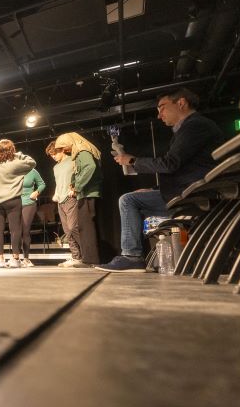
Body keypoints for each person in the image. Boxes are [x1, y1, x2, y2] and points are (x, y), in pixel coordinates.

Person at [98, 87, 223, 272]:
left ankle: (132, 256)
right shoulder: (190, 128)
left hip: (195, 194)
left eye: (162, 107)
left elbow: (170, 164)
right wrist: (153, 189)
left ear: (181, 103)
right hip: (187, 190)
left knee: (128, 200)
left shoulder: (195, 125)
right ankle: (134, 255)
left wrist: (132, 160)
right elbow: (183, 169)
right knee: (133, 199)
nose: (159, 115)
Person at [0, 139, 36, 268]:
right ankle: (15, 259)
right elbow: (32, 162)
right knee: (15, 230)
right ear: (12, 150)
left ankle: (0, 260)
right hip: (12, 200)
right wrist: (19, 154)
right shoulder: (15, 163)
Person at [54, 133, 103, 267]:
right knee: (84, 228)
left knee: (85, 228)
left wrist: (77, 186)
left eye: (64, 147)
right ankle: (87, 259)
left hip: (88, 193)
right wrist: (74, 183)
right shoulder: (79, 152)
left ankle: (90, 260)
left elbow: (90, 167)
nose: (65, 151)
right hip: (85, 193)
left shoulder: (82, 151)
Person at [18, 166, 46, 267]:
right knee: (15, 231)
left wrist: (37, 192)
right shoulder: (13, 171)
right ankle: (15, 258)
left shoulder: (32, 171)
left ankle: (26, 258)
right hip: (15, 204)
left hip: (29, 202)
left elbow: (42, 184)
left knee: (25, 230)